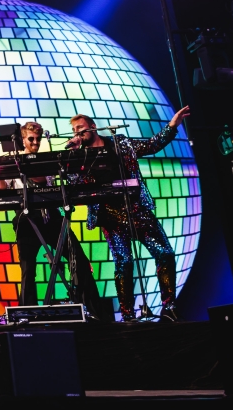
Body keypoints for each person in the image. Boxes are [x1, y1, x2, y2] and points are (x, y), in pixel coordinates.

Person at [67, 107, 191, 321]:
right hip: (108, 215)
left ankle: (169, 307)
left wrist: (172, 126)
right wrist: (74, 155)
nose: (77, 132)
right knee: (123, 262)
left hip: (136, 209)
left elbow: (151, 145)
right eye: (74, 130)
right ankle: (127, 315)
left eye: (80, 127)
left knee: (165, 253)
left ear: (93, 127)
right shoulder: (80, 157)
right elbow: (75, 185)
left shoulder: (121, 143)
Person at [0, 122, 101, 314]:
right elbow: (2, 190)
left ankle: (91, 308)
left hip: (51, 218)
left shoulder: (47, 161)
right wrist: (2, 171)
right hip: (26, 221)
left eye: (38, 139)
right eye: (31, 139)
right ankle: (27, 313)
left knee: (77, 256)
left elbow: (44, 181)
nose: (35, 142)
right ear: (23, 140)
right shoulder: (14, 162)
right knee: (28, 269)